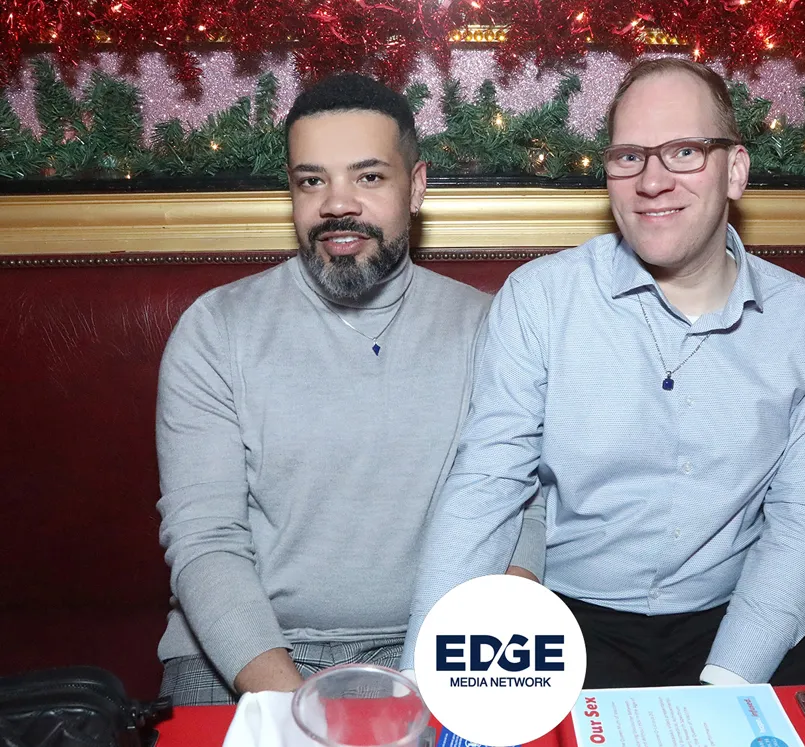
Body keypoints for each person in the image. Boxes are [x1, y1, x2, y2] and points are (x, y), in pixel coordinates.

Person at [401, 58, 805, 687]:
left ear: (735, 171)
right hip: (568, 617)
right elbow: (487, 484)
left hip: (736, 614)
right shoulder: (540, 299)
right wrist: (421, 675)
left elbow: (804, 521)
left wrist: (728, 683)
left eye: (684, 152)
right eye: (629, 157)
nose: (652, 181)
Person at [155, 73, 544, 705]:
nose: (338, 204)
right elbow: (205, 538)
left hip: (433, 643)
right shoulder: (216, 328)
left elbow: (522, 509)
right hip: (244, 650)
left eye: (369, 177)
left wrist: (476, 654)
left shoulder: (490, 326)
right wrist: (295, 712)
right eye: (312, 181)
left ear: (415, 187)